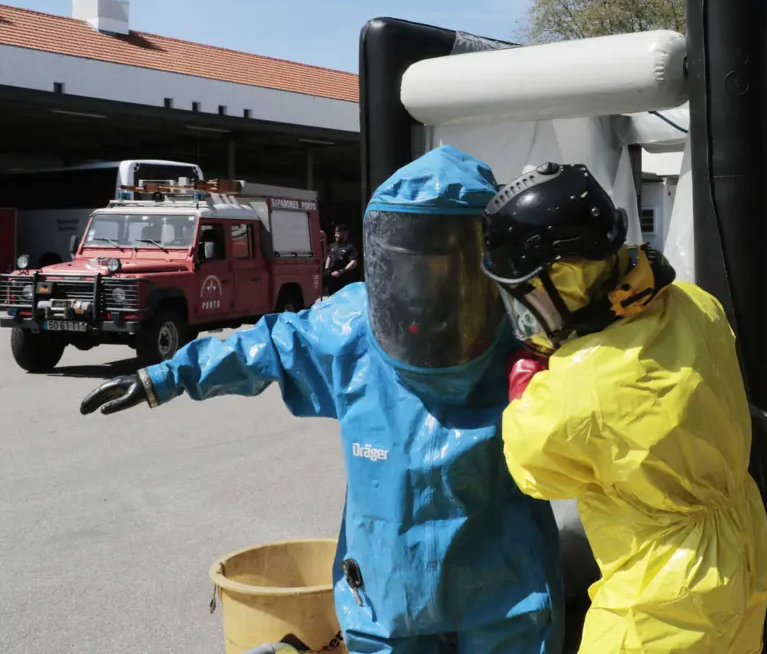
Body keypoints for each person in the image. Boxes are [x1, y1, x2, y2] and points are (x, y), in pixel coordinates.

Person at [80, 145, 565, 654]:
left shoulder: (530, 330)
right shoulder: (354, 328)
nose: (429, 279)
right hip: (418, 590)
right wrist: (165, 375)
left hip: (485, 593)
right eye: (416, 261)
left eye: (445, 260)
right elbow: (267, 344)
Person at [481, 161, 767, 653]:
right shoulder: (694, 304)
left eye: (528, 293)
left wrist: (527, 385)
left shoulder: (581, 388)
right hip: (742, 545)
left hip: (661, 594)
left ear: (564, 279)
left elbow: (534, 471)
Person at [324, 223, 359, 296]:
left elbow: (354, 262)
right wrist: (326, 269)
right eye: (335, 233)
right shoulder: (333, 245)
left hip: (344, 282)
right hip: (332, 281)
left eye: (337, 233)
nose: (335, 235)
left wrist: (341, 271)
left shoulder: (350, 247)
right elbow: (329, 256)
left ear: (345, 233)